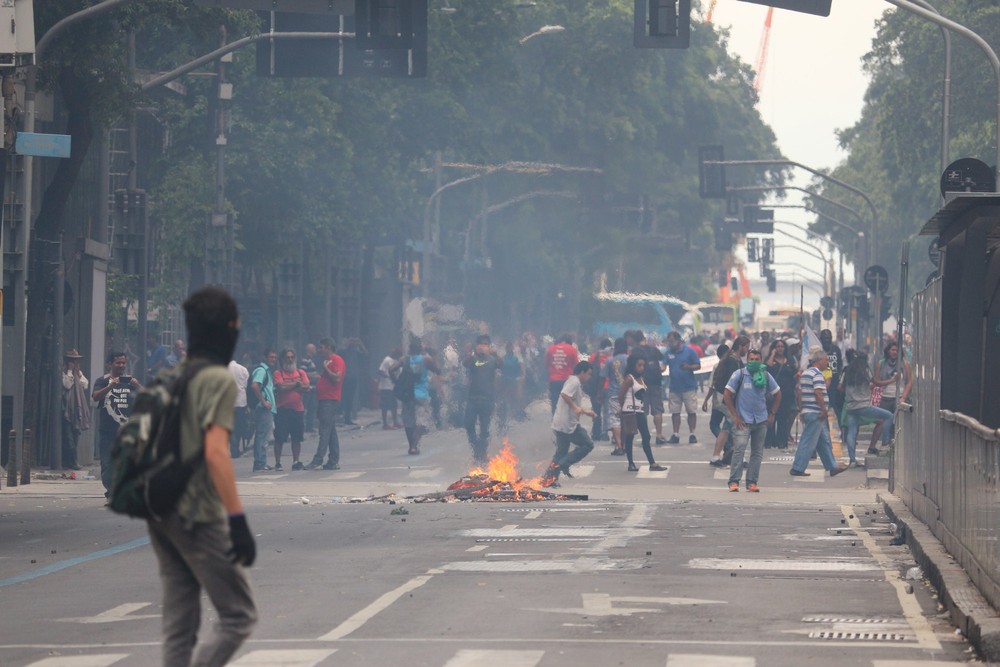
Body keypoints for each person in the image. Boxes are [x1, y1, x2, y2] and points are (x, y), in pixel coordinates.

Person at [146, 286, 257, 666]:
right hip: (196, 510)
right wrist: (237, 519)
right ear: (226, 329)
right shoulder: (218, 379)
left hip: (158, 507)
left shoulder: (173, 375)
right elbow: (215, 452)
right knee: (238, 615)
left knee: (180, 623)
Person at [723, 348, 781, 492]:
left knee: (757, 452)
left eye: (757, 359)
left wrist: (772, 413)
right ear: (747, 360)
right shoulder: (739, 375)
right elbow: (727, 395)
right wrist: (735, 416)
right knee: (740, 448)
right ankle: (734, 481)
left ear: (761, 360)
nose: (754, 362)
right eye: (751, 359)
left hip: (761, 420)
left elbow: (778, 394)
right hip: (743, 420)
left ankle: (751, 482)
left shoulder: (766, 376)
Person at [790, 347, 848, 478]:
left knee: (824, 441)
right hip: (816, 412)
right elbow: (818, 393)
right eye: (826, 360)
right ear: (819, 360)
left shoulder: (805, 374)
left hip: (809, 410)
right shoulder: (817, 375)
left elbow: (799, 393)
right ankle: (798, 467)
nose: (827, 363)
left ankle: (832, 466)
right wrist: (823, 410)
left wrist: (801, 409)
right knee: (808, 440)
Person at [92, 351, 141, 499]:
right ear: (110, 364)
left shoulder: (130, 382)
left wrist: (137, 385)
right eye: (118, 362)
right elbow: (95, 397)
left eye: (123, 363)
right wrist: (110, 386)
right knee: (107, 463)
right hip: (107, 430)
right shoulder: (102, 380)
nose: (121, 366)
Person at [542, 360, 597, 486]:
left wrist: (586, 412)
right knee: (587, 444)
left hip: (561, 422)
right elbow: (565, 394)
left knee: (561, 452)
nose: (589, 377)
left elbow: (574, 403)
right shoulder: (574, 381)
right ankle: (564, 463)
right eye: (588, 374)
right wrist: (574, 407)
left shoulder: (574, 381)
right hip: (567, 424)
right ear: (582, 372)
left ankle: (549, 479)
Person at [839, 350, 894, 465]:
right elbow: (876, 383)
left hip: (850, 406)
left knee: (852, 432)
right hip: (864, 405)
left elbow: (840, 387)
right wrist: (893, 380)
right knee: (888, 416)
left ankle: (852, 460)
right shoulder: (865, 371)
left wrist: (850, 393)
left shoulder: (846, 371)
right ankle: (885, 444)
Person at [618, 353, 666, 473]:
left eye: (643, 365)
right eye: (639, 365)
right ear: (633, 365)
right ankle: (632, 463)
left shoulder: (641, 378)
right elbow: (621, 395)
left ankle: (652, 463)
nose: (642, 368)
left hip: (639, 411)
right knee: (630, 436)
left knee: (646, 436)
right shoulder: (629, 378)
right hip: (630, 411)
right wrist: (621, 408)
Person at [392, 339, 440, 456]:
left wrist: (397, 383)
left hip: (407, 395)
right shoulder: (425, 359)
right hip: (421, 395)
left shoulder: (405, 360)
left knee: (408, 421)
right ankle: (414, 445)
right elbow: (438, 370)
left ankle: (411, 446)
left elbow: (390, 369)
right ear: (420, 349)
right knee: (422, 421)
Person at [706, 338, 746, 467]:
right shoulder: (732, 362)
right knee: (737, 427)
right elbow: (730, 383)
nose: (747, 350)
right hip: (725, 399)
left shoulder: (736, 360)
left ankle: (715, 457)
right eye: (746, 347)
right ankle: (739, 458)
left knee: (726, 429)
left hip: (726, 398)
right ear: (740, 346)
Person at [307, 338, 345, 470]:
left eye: (321, 347)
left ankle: (318, 459)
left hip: (330, 399)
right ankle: (333, 460)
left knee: (324, 430)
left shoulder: (336, 360)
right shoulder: (330, 361)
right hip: (325, 399)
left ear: (328, 347)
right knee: (330, 430)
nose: (319, 350)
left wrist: (326, 369)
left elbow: (337, 378)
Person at [463, 334, 501, 464]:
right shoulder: (473, 359)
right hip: (473, 398)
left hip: (487, 399)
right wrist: (473, 352)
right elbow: (465, 363)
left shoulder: (492, 359)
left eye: (485, 344)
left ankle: (482, 454)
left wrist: (495, 354)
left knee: (484, 428)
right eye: (480, 344)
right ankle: (476, 448)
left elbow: (502, 365)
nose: (482, 346)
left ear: (489, 346)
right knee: (468, 424)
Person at [870, 340, 912, 450]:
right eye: (893, 350)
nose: (895, 352)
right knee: (882, 422)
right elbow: (876, 380)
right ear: (888, 351)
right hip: (885, 397)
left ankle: (895, 446)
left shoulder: (905, 364)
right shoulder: (881, 363)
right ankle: (878, 445)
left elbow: (909, 382)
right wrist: (891, 380)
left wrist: (903, 397)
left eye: (897, 350)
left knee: (897, 423)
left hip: (899, 397)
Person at [272, 348, 309, 471]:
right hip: (282, 410)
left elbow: (306, 386)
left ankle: (296, 461)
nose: (290, 359)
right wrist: (296, 385)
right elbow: (280, 387)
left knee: (296, 437)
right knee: (280, 437)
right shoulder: (278, 373)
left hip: (298, 410)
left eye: (292, 357)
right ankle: (278, 463)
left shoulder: (300, 372)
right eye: (287, 357)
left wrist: (291, 387)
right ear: (283, 359)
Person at [664, 330, 702, 443]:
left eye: (672, 341)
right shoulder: (668, 353)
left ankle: (692, 433)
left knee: (691, 411)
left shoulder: (690, 351)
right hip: (674, 387)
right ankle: (675, 434)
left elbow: (698, 365)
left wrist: (689, 367)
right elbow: (663, 365)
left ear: (678, 340)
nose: (671, 343)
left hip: (688, 386)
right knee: (675, 412)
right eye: (669, 341)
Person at [764, 339, 798, 450]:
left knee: (783, 419)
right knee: (771, 417)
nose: (780, 349)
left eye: (782, 346)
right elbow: (767, 367)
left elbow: (794, 373)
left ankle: (782, 441)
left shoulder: (790, 360)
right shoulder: (770, 360)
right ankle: (769, 441)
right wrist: (772, 354)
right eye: (777, 346)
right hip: (772, 394)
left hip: (786, 394)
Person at [61, 349, 90, 470]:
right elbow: (67, 384)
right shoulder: (64, 373)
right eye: (73, 361)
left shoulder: (78, 373)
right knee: (68, 438)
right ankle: (72, 461)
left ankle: (71, 461)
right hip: (67, 409)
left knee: (75, 436)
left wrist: (78, 373)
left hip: (77, 410)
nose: (75, 363)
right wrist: (69, 371)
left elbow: (85, 384)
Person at [248, 349, 277, 472]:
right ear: (264, 357)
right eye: (271, 357)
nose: (273, 360)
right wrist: (264, 401)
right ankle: (260, 463)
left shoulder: (268, 371)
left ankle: (262, 462)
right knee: (262, 435)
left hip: (266, 408)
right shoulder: (261, 370)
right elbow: (255, 385)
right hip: (263, 408)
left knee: (264, 436)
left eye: (275, 357)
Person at [635, 334, 667, 444]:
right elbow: (664, 361)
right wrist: (661, 369)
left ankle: (645, 436)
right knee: (657, 410)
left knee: (643, 412)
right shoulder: (654, 350)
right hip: (656, 383)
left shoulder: (636, 351)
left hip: (642, 384)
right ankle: (659, 435)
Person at [601, 337, 629, 455]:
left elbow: (602, 376)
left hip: (613, 393)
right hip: (628, 393)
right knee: (626, 419)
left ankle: (618, 446)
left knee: (615, 420)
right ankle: (626, 445)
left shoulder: (610, 361)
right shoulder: (629, 359)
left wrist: (599, 391)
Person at [545, 333, 579, 413]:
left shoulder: (551, 349)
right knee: (569, 402)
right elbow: (576, 366)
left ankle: (555, 422)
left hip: (554, 380)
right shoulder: (572, 349)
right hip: (567, 381)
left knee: (555, 402)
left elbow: (546, 365)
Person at [497, 341, 523, 433]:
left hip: (514, 382)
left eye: (510, 347)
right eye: (507, 348)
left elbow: (521, 369)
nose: (508, 349)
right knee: (503, 401)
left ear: (512, 348)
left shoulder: (516, 358)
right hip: (505, 382)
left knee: (514, 400)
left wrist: (520, 378)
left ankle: (516, 418)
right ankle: (503, 423)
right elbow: (499, 369)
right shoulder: (503, 359)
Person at [340, 338, 367, 425]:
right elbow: (338, 352)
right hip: (345, 377)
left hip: (353, 377)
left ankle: (347, 417)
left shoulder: (356, 352)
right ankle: (342, 415)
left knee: (350, 398)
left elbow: (366, 354)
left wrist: (360, 344)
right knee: (343, 397)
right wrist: (346, 343)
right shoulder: (344, 352)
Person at [227, 356, 250, 459]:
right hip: (240, 401)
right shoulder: (243, 369)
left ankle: (233, 443)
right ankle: (236, 445)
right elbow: (245, 385)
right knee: (239, 425)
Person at [377, 347, 403, 430]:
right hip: (386, 387)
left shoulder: (396, 361)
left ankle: (395, 422)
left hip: (393, 387)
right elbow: (380, 371)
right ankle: (385, 424)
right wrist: (388, 377)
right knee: (385, 405)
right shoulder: (387, 360)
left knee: (393, 405)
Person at [300, 343, 320, 433]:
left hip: (313, 387)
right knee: (305, 407)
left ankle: (309, 426)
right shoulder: (305, 360)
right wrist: (314, 376)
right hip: (308, 387)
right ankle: (303, 425)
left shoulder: (312, 360)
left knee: (312, 407)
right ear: (310, 350)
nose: (316, 350)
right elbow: (302, 373)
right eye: (314, 349)